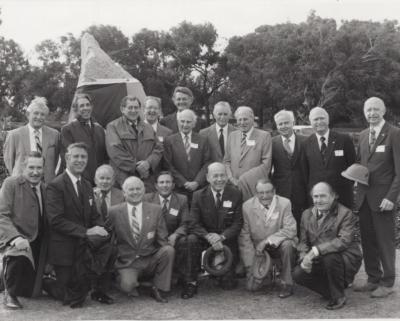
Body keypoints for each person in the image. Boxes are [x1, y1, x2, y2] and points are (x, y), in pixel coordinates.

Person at [46, 142, 114, 308]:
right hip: (65, 248)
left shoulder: (86, 185)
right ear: (67, 158)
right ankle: (46, 282)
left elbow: (94, 216)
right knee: (73, 299)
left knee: (110, 243)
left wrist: (100, 229)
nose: (80, 160)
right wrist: (87, 231)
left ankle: (96, 286)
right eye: (76, 156)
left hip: (84, 246)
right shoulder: (55, 185)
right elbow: (56, 220)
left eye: (83, 157)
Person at [352, 97, 400, 298]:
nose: (372, 113)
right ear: (364, 112)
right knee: (368, 240)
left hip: (383, 200)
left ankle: (388, 283)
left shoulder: (395, 134)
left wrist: (392, 197)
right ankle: (373, 278)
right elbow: (361, 165)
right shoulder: (363, 135)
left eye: (375, 109)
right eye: (368, 109)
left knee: (385, 241)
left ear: (384, 111)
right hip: (364, 199)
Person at [293, 182, 362, 310]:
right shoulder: (306, 214)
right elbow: (303, 242)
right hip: (320, 258)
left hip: (344, 258)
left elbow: (343, 241)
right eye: (316, 196)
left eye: (323, 196)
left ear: (333, 196)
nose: (319, 200)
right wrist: (304, 259)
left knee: (329, 257)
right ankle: (331, 291)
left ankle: (338, 296)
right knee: (298, 274)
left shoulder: (345, 213)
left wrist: (316, 250)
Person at [108, 176, 175, 303]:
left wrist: (166, 263)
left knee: (168, 250)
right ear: (124, 192)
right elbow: (109, 239)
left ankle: (158, 288)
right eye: (131, 189)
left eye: (138, 189)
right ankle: (127, 280)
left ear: (143, 190)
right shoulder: (114, 212)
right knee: (127, 286)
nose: (135, 192)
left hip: (149, 258)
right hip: (127, 261)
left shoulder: (155, 210)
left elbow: (162, 238)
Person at [185, 162, 243, 298]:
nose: (219, 179)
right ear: (207, 178)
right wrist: (209, 237)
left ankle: (217, 270)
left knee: (228, 285)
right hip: (205, 238)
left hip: (226, 240)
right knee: (191, 239)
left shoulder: (236, 193)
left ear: (227, 176)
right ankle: (191, 282)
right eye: (215, 176)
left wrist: (221, 237)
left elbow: (237, 223)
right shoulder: (198, 195)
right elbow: (193, 223)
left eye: (222, 175)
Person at [0, 152, 48, 309]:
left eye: (39, 168)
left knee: (32, 293)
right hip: (15, 240)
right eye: (31, 167)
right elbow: (1, 215)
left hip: (39, 243)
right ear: (23, 167)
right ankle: (9, 294)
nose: (35, 172)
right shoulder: (11, 183)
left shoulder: (46, 188)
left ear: (44, 169)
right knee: (18, 254)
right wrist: (15, 238)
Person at [239, 180, 297, 298]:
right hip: (259, 251)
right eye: (261, 193)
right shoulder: (247, 206)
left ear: (274, 191)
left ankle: (287, 283)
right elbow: (244, 236)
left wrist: (266, 241)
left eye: (268, 192)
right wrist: (251, 265)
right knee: (252, 288)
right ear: (256, 193)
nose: (265, 196)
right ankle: (268, 273)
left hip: (278, 244)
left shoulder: (285, 203)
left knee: (288, 244)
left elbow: (291, 230)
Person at [143, 171, 194, 289]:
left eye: (168, 182)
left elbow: (185, 223)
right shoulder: (147, 199)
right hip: (153, 239)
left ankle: (180, 278)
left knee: (186, 241)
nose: (165, 185)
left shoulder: (182, 199)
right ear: (156, 185)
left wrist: (176, 235)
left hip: (173, 239)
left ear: (173, 185)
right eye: (161, 182)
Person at [106, 95, 163, 191]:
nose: (133, 110)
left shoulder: (148, 127)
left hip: (146, 179)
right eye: (130, 107)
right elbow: (116, 152)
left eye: (136, 107)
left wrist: (148, 163)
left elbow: (158, 148)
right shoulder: (113, 126)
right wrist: (137, 167)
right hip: (123, 179)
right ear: (122, 109)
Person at [302, 107, 356, 208]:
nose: (319, 122)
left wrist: (345, 186)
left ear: (328, 119)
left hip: (342, 197)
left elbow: (353, 167)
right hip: (317, 199)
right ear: (310, 122)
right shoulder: (305, 144)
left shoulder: (344, 140)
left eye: (322, 118)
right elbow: (305, 173)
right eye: (315, 119)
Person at [3, 96, 60, 184]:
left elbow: (55, 160)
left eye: (42, 114)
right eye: (36, 113)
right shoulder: (14, 135)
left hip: (47, 186)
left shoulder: (55, 135)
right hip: (22, 184)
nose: (39, 117)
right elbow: (9, 161)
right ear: (28, 114)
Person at [224, 106, 272, 201]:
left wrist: (244, 180)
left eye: (245, 119)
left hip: (253, 187)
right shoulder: (232, 136)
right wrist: (231, 178)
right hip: (233, 186)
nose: (242, 122)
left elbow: (266, 165)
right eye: (239, 119)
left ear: (252, 119)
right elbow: (226, 161)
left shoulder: (264, 136)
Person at [271, 110, 307, 230]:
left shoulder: (306, 141)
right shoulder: (272, 143)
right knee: (284, 221)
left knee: (302, 221)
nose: (283, 126)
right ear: (277, 126)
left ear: (293, 123)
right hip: (281, 189)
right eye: (280, 124)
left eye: (286, 123)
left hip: (302, 188)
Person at [60, 93, 108, 184]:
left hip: (100, 181)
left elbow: (104, 157)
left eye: (87, 105)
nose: (85, 108)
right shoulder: (67, 130)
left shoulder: (99, 129)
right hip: (79, 181)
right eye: (82, 106)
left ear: (91, 107)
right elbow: (69, 159)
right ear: (76, 109)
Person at [163, 109, 210, 199]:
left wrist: (197, 182)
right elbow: (168, 165)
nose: (185, 124)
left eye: (188, 122)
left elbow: (207, 163)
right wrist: (184, 182)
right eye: (182, 121)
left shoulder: (203, 140)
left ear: (194, 124)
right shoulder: (169, 141)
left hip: (199, 189)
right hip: (178, 189)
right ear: (178, 122)